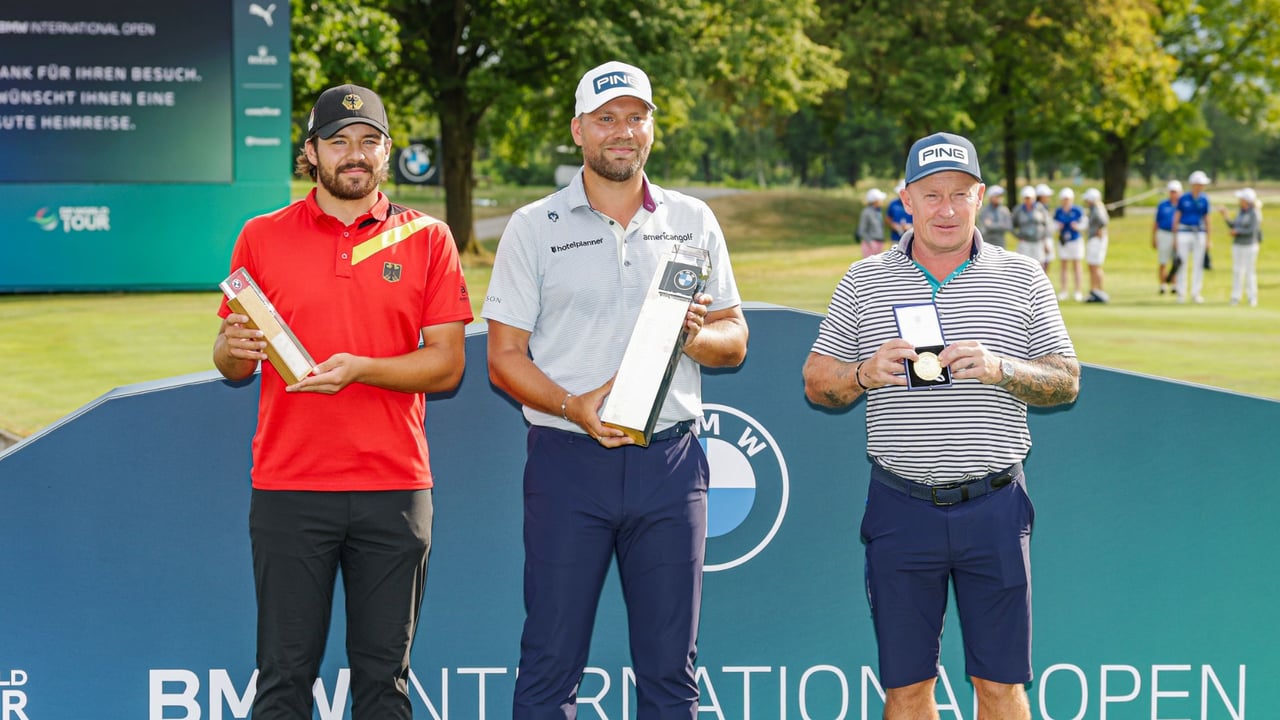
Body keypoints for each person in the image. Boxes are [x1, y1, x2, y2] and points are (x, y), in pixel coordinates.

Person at [481, 61, 749, 719]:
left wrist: (691, 336)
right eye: (606, 119)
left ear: (652, 127)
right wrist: (574, 406)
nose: (622, 132)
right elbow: (503, 357)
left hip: (671, 462)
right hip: (568, 460)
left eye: (636, 117)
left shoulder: (693, 219)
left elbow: (734, 338)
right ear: (578, 130)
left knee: (670, 673)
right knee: (550, 663)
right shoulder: (534, 226)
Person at [213, 83, 473, 719]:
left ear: (387, 152)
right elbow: (231, 364)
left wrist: (361, 370)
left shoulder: (428, 238)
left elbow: (446, 364)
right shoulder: (261, 235)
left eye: (369, 142)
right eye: (339, 142)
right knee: (282, 680)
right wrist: (233, 344)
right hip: (290, 485)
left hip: (395, 486)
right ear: (311, 153)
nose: (354, 154)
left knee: (384, 684)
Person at [802, 131, 1079, 720]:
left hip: (995, 504)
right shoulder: (864, 279)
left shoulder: (1023, 276)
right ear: (906, 200)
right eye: (932, 195)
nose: (946, 209)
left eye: (959, 193)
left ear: (981, 196)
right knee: (906, 689)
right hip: (901, 506)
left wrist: (1002, 368)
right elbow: (816, 381)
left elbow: (1066, 379)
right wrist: (862, 372)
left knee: (1000, 686)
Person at [1218, 187, 1263, 307]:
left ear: (1247, 200)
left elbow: (1252, 230)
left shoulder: (1254, 212)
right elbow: (1234, 225)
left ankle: (1252, 297)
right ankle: (1235, 297)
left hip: (1250, 245)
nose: (1239, 200)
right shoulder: (1241, 212)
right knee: (1237, 271)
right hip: (1237, 245)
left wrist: (1238, 232)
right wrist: (1226, 216)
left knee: (1249, 271)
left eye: (1241, 198)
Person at [1173, 170, 1212, 304]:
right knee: (1181, 263)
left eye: (1202, 184)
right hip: (1183, 232)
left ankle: (1196, 293)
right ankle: (1181, 293)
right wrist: (1175, 237)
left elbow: (1207, 219)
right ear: (1193, 184)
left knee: (1198, 264)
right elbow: (1177, 217)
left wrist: (1208, 238)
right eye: (1198, 184)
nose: (1200, 187)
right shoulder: (1183, 198)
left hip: (1199, 233)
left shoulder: (1204, 199)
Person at [1053, 187, 1085, 301]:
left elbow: (1084, 224)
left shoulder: (1077, 210)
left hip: (1075, 240)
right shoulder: (1058, 211)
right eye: (1064, 199)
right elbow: (1053, 225)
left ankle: (1078, 291)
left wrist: (1077, 227)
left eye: (1068, 199)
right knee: (1064, 265)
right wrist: (1058, 227)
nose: (1066, 201)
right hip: (1063, 241)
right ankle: (1064, 291)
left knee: (1076, 265)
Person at [1152, 180, 1181, 295]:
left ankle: (1174, 285)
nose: (1173, 194)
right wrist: (1154, 237)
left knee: (1176, 262)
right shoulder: (1162, 205)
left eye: (1175, 192)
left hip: (1178, 235)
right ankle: (1163, 285)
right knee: (1163, 261)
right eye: (1171, 192)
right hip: (1164, 233)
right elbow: (1156, 222)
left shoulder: (1181, 205)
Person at [1012, 185, 1050, 268]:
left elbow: (1046, 225)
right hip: (1025, 241)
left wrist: (1045, 241)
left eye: (1030, 198)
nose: (1028, 200)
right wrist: (1018, 235)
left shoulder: (1040, 208)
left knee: (1040, 265)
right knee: (1024, 265)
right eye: (1026, 198)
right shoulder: (1018, 210)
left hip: (1038, 241)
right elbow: (1012, 225)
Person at [1082, 188, 1110, 303]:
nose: (1086, 201)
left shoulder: (1097, 208)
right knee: (1092, 265)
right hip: (1094, 239)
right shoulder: (1094, 208)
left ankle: (1098, 291)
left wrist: (1100, 229)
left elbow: (1104, 221)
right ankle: (1094, 290)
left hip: (1096, 240)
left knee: (1095, 266)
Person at [978, 184, 1013, 248]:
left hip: (1001, 243)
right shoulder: (984, 211)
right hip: (987, 244)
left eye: (1000, 196)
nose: (1000, 198)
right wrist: (1001, 225)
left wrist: (991, 225)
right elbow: (985, 227)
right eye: (997, 196)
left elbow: (1008, 226)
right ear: (991, 197)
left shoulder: (1005, 210)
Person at [859, 188, 889, 257]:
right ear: (875, 201)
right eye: (880, 199)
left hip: (879, 242)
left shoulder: (878, 211)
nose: (882, 201)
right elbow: (862, 230)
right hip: (870, 244)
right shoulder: (866, 212)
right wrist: (870, 242)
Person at [1035, 183, 1055, 273]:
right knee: (1043, 264)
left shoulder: (1044, 207)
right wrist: (1045, 243)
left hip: (1047, 238)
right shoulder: (1038, 208)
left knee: (1047, 262)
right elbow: (1041, 227)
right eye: (1047, 195)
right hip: (1043, 240)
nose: (1048, 197)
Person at [887, 180, 914, 245]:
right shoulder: (893, 204)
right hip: (896, 238)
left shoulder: (914, 204)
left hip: (911, 238)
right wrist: (894, 226)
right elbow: (888, 218)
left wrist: (911, 226)